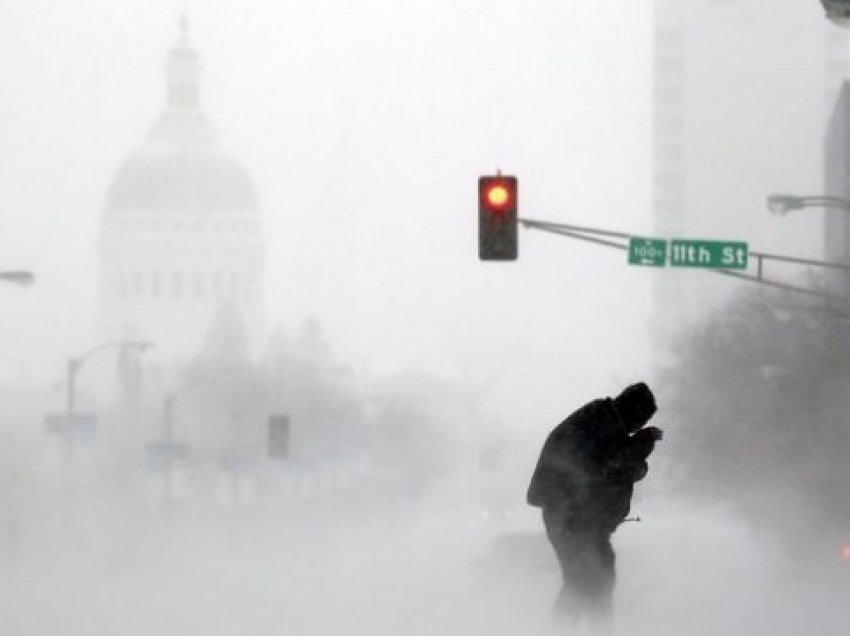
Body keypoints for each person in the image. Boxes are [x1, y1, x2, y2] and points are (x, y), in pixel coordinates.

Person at [527, 382, 662, 629]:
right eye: (640, 420)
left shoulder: (601, 420)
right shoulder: (601, 421)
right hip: (573, 517)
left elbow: (614, 467)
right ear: (633, 410)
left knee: (594, 580)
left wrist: (637, 454)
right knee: (585, 581)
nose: (638, 427)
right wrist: (640, 446)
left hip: (580, 519)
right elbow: (609, 467)